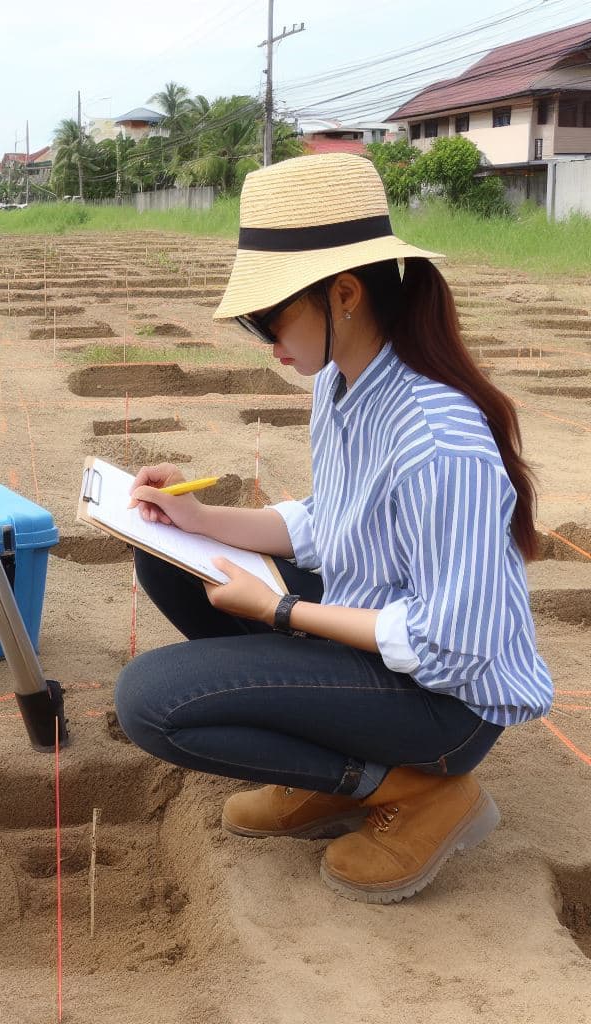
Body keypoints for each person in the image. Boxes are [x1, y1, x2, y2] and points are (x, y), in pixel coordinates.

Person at [113, 153, 553, 905]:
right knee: (171, 560)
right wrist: (199, 517)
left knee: (149, 701)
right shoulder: (340, 384)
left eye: (269, 318)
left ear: (344, 294)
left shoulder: (437, 439)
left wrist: (278, 611)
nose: (265, 340)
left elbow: (452, 642)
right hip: (385, 637)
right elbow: (327, 523)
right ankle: (339, 770)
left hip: (443, 704)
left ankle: (407, 788)